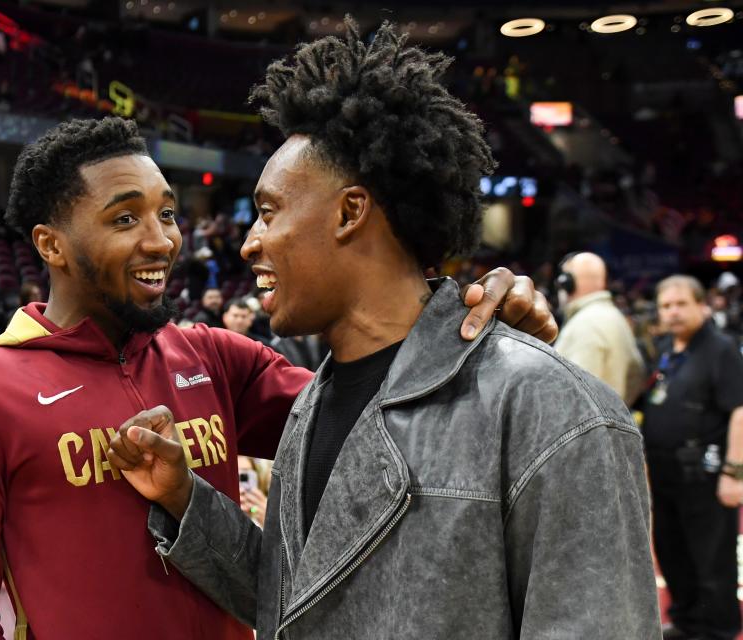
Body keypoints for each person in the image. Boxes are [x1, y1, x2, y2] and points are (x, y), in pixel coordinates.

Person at [107, 19, 659, 640]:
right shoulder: (311, 403)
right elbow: (300, 603)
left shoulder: (551, 407)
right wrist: (187, 501)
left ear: (350, 211)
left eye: (267, 212)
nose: (249, 244)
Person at [0, 117, 554, 640]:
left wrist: (466, 329)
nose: (161, 240)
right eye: (125, 219)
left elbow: (393, 419)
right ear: (52, 245)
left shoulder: (214, 357)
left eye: (167, 213)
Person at [642, 275, 743, 640]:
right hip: (669, 476)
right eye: (666, 305)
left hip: (707, 475)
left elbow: (740, 411)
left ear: (702, 304)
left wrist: (734, 473)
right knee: (674, 554)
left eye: (681, 304)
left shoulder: (721, 349)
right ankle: (686, 622)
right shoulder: (668, 348)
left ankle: (717, 629)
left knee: (711, 560)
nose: (673, 312)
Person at [553, 252, 645, 405]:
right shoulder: (613, 316)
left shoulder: (586, 323)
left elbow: (575, 397)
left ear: (567, 283)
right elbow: (636, 375)